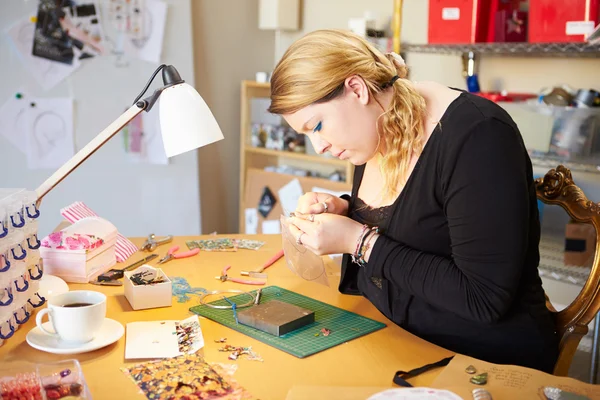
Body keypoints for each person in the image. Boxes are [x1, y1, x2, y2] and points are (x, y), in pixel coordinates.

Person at [268, 29, 559, 373]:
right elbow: (425, 219)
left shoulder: (478, 136)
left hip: (482, 360)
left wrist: (356, 241)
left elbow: (483, 298)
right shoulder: (377, 124)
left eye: (317, 126)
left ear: (357, 89)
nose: (320, 147)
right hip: (396, 334)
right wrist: (345, 209)